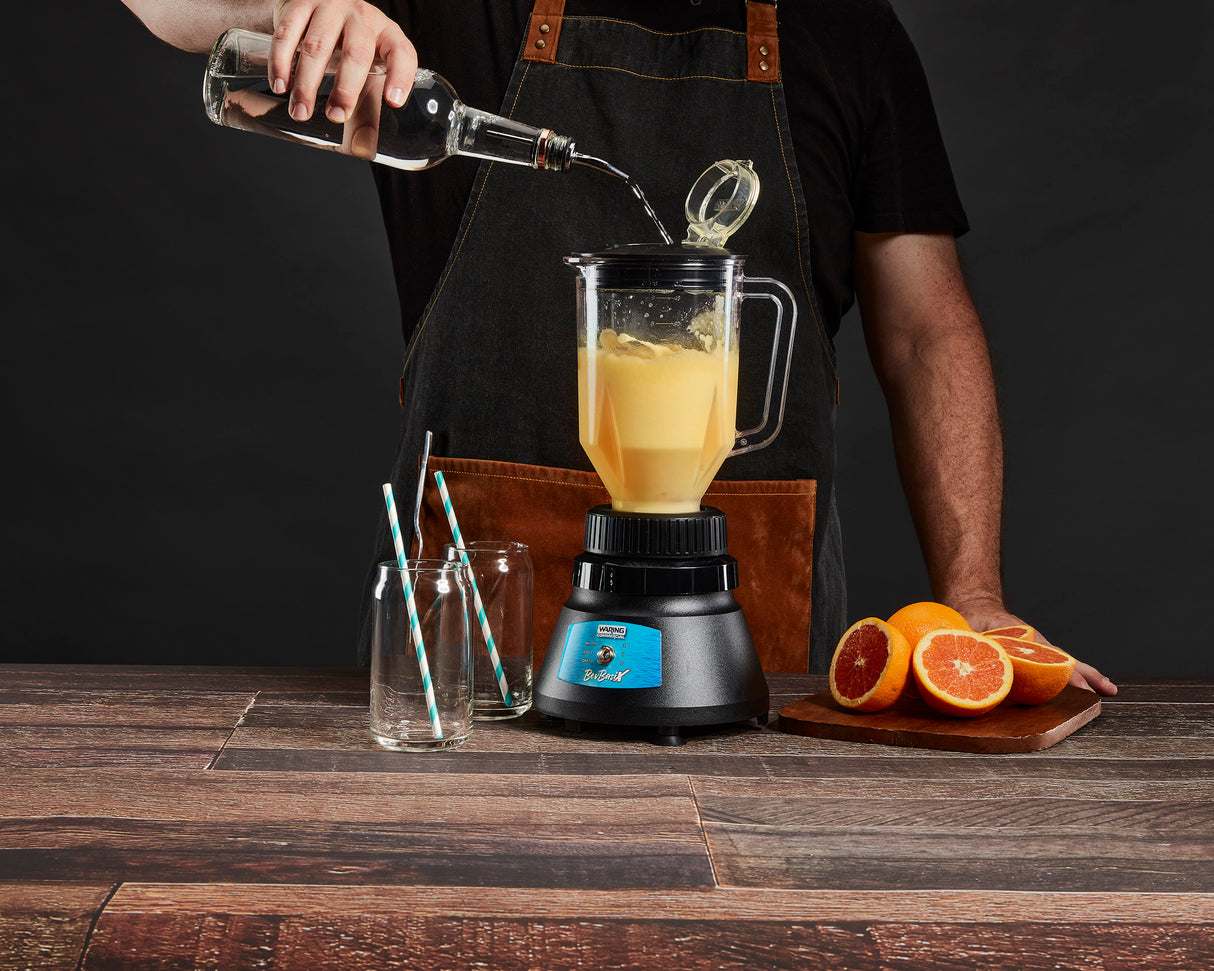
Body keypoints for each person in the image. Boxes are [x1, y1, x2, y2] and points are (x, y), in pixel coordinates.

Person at [123, 0, 1117, 695]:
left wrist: (972, 597)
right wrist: (305, 6)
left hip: (758, 652)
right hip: (473, 665)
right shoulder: (454, 12)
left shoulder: (846, 35)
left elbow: (925, 333)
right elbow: (171, 7)